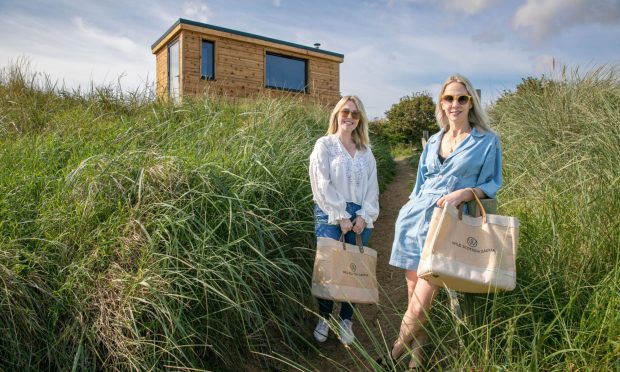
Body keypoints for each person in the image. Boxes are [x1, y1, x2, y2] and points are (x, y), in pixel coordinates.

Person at [386, 74, 502, 368]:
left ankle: (390, 356)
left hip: (448, 224)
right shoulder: (434, 140)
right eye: (449, 98)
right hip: (413, 221)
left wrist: (466, 192)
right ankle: (417, 359)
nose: (455, 104)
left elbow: (493, 182)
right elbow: (419, 184)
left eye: (462, 98)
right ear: (442, 102)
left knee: (423, 298)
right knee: (413, 295)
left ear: (471, 102)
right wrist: (409, 205)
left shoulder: (486, 140)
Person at [309, 95, 380, 346]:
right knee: (329, 268)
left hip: (361, 214)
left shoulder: (365, 151)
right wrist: (340, 215)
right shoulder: (325, 145)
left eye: (355, 114)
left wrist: (363, 215)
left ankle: (346, 319)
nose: (349, 117)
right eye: (345, 112)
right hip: (329, 213)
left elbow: (373, 187)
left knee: (353, 269)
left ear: (360, 119)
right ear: (337, 114)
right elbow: (321, 183)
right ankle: (325, 317)